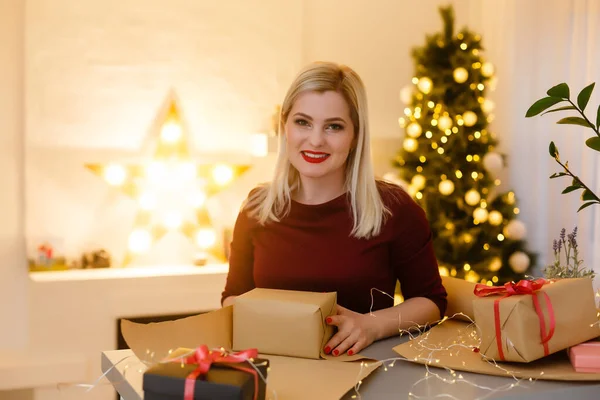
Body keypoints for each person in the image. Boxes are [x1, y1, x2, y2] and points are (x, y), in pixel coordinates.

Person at [221, 61, 447, 356]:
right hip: (274, 372)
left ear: (355, 136)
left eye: (334, 127)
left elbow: (431, 301)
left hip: (364, 372)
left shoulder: (394, 209)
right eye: (303, 122)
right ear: (285, 126)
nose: (315, 140)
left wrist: (371, 325)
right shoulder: (257, 208)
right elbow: (232, 298)